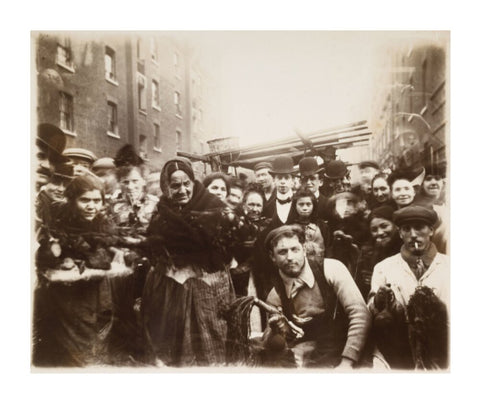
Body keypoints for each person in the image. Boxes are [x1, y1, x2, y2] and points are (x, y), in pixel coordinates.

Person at [141, 157, 236, 367]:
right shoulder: (161, 211)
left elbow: (228, 247)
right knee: (174, 343)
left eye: (187, 184)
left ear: (193, 182)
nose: (182, 190)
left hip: (208, 288)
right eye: (175, 186)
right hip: (171, 289)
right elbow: (153, 246)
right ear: (166, 187)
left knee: (210, 338)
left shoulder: (213, 205)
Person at [33, 175, 120, 367]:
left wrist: (76, 257)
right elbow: (44, 256)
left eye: (97, 201)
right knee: (68, 350)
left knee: (95, 342)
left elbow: (104, 258)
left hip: (96, 293)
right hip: (65, 298)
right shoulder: (59, 223)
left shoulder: (104, 224)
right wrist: (57, 255)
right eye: (85, 200)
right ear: (72, 200)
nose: (92, 206)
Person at [260, 225, 371, 368]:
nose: (290, 257)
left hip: (349, 349)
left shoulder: (332, 269)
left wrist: (347, 362)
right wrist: (276, 332)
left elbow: (360, 315)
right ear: (272, 257)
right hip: (311, 357)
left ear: (304, 249)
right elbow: (275, 342)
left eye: (295, 249)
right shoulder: (275, 296)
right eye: (282, 252)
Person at [368, 205, 449, 369]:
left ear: (431, 231)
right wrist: (379, 300)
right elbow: (370, 310)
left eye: (419, 228)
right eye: (406, 229)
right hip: (398, 348)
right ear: (400, 233)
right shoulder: (384, 267)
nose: (413, 235)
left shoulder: (449, 265)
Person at [107, 144, 159, 364]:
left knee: (150, 310)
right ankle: (128, 352)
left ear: (144, 181)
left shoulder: (155, 205)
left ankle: (150, 351)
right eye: (126, 182)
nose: (131, 186)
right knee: (124, 310)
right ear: (120, 183)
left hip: (149, 265)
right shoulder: (113, 206)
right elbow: (106, 236)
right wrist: (118, 251)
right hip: (123, 266)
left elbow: (160, 235)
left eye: (135, 181)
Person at [356, 205, 402, 300]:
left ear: (396, 225)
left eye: (384, 226)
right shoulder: (368, 255)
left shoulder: (406, 249)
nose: (380, 233)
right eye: (374, 230)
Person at [290, 187, 330, 260]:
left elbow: (328, 249)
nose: (305, 208)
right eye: (301, 204)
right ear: (295, 206)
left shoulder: (322, 226)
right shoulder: (289, 226)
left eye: (308, 204)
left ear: (313, 206)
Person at [263, 156, 297, 225]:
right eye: (279, 178)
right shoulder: (268, 206)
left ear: (292, 180)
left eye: (287, 178)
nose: (283, 182)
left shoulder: (300, 202)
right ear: (274, 180)